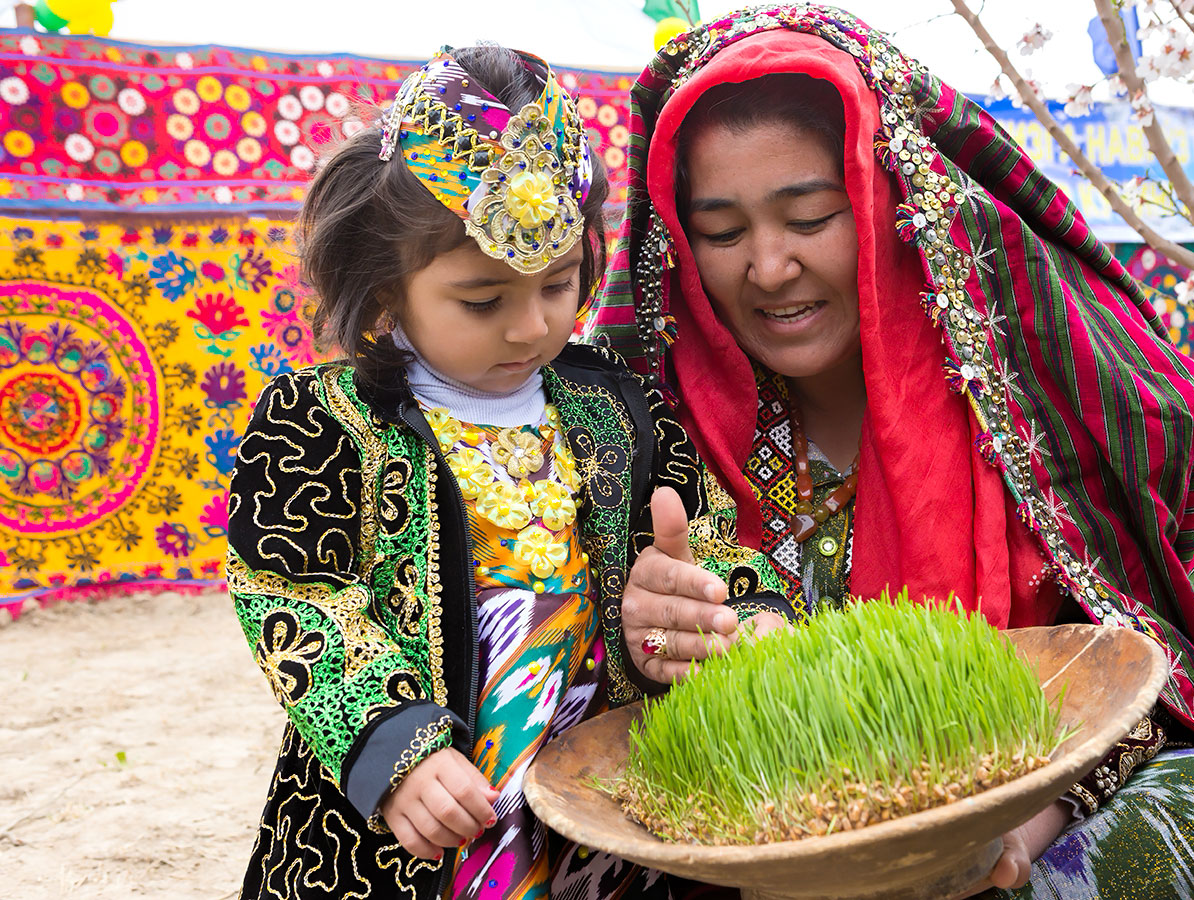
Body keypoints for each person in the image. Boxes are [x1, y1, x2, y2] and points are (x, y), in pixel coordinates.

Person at [590, 6, 1194, 897]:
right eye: (722, 234)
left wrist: (1002, 836)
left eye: (810, 216)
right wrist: (642, 634)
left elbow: (1156, 675)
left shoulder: (1031, 385)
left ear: (889, 198)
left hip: (1040, 847)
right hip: (766, 864)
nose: (768, 267)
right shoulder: (645, 428)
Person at [226, 44, 790, 900]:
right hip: (414, 820)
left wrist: (735, 615)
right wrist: (393, 744)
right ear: (386, 289)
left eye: (560, 284)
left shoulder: (616, 407)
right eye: (482, 300)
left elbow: (700, 544)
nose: (531, 327)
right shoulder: (324, 421)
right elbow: (295, 595)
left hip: (594, 805)